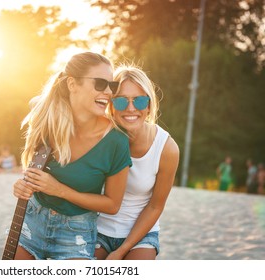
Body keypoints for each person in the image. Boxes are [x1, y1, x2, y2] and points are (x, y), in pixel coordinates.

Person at [15, 64, 179, 260]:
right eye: (120, 102)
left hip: (140, 234)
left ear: (150, 105)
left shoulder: (166, 148)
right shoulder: (100, 133)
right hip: (97, 227)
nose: (131, 109)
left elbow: (155, 207)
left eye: (140, 101)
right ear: (110, 103)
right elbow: (44, 104)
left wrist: (121, 250)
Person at [12, 52, 132, 260]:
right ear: (72, 84)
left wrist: (60, 190)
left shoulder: (116, 141)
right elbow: (32, 171)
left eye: (111, 86)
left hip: (76, 233)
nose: (108, 92)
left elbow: (112, 205)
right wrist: (22, 185)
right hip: (33, 221)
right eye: (100, 83)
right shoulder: (48, 121)